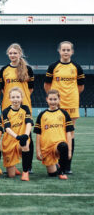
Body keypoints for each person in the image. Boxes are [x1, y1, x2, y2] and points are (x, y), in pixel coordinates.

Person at [44, 41, 85, 174]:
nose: (66, 52)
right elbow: (47, 86)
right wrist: (55, 99)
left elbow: (80, 87)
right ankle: (55, 162)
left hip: (72, 103)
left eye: (68, 50)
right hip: (57, 104)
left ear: (72, 52)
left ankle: (67, 166)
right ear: (59, 51)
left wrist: (70, 96)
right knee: (56, 132)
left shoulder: (77, 67)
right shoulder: (53, 66)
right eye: (63, 50)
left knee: (70, 134)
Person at [0, 43, 35, 173]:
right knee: (9, 135)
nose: (13, 55)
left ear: (20, 54)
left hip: (24, 105)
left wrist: (21, 100)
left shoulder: (28, 69)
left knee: (27, 135)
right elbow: (3, 89)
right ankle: (11, 165)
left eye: (15, 53)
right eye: (11, 53)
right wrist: (12, 100)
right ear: (8, 54)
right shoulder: (4, 69)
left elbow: (30, 88)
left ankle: (28, 166)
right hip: (8, 106)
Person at [34, 89, 73, 180]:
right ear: (47, 99)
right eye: (51, 99)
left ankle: (62, 171)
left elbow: (69, 133)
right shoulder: (42, 115)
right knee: (52, 174)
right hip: (46, 147)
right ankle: (56, 165)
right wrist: (38, 151)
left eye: (55, 99)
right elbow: (38, 134)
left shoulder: (64, 114)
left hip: (58, 145)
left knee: (63, 146)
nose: (53, 102)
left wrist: (69, 151)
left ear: (59, 100)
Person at [2, 87, 33, 181]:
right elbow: (7, 128)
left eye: (18, 97)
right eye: (13, 97)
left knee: (25, 144)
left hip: (22, 139)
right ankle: (13, 166)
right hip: (9, 141)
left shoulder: (25, 108)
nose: (15, 99)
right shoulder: (6, 111)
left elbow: (29, 123)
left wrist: (25, 135)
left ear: (21, 98)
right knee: (11, 175)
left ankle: (25, 172)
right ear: (9, 98)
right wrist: (17, 136)